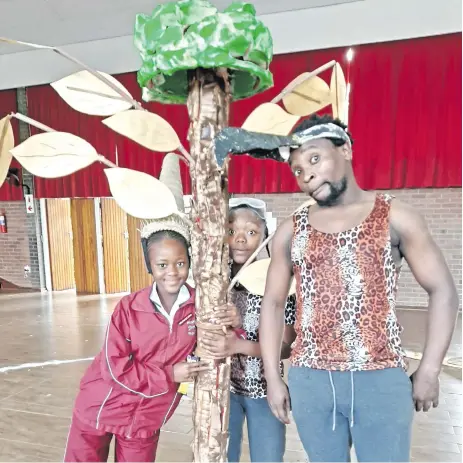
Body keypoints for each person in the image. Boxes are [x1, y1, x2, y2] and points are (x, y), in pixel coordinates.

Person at [259, 114, 459, 462]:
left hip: (380, 377)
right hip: (311, 379)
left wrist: (429, 369)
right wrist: (273, 378)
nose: (306, 173)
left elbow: (443, 290)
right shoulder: (291, 231)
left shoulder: (396, 217)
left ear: (346, 149)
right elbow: (274, 304)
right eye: (297, 169)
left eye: (315, 158)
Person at [64, 214, 211, 462]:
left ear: (189, 262)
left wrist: (235, 323)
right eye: (162, 265)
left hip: (147, 418)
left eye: (180, 263)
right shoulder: (130, 307)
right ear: (149, 266)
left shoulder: (202, 306)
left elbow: (224, 338)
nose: (172, 272)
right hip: (101, 408)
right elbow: (114, 369)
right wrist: (170, 374)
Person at [201, 198, 297, 462]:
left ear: (265, 236)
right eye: (231, 231)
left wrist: (239, 346)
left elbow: (287, 348)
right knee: (222, 455)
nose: (240, 239)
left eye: (251, 232)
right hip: (222, 390)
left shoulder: (278, 284)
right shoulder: (214, 286)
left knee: (268, 456)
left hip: (264, 390)